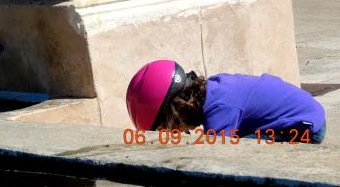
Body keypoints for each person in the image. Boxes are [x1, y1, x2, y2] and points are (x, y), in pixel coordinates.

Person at [125, 60, 326, 143]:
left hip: (305, 127)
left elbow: (218, 161)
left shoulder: (220, 110)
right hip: (306, 111)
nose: (172, 135)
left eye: (168, 130)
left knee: (242, 155)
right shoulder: (214, 89)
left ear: (176, 111)